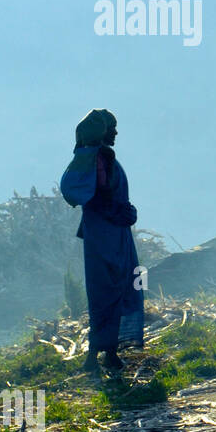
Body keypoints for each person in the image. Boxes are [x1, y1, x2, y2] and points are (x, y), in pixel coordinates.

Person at [59, 109, 143, 376]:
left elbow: (95, 199)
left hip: (103, 236)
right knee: (113, 288)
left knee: (102, 290)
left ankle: (101, 355)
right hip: (109, 237)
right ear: (101, 131)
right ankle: (103, 355)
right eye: (112, 128)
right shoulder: (100, 159)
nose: (116, 133)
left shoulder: (90, 159)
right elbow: (101, 199)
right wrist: (121, 213)